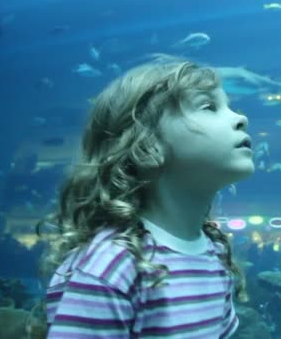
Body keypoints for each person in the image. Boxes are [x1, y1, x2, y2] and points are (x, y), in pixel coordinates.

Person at [38, 55, 254, 338]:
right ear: (147, 146)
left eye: (229, 105)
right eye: (209, 106)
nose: (241, 118)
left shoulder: (214, 254)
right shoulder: (111, 267)